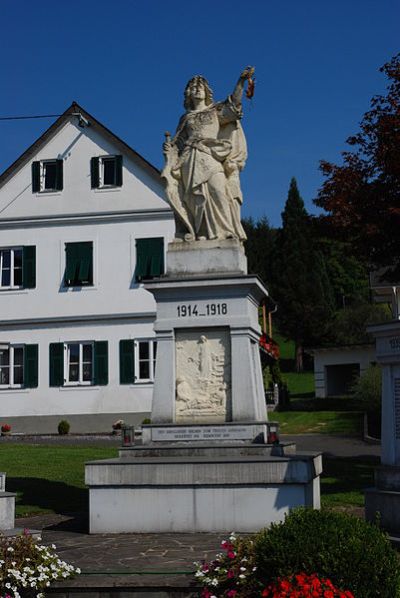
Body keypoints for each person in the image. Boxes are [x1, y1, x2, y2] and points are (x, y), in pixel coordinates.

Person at [162, 67, 254, 242]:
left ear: (206, 92)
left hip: (210, 155)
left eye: (200, 87)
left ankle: (226, 231)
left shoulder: (215, 110)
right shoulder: (186, 118)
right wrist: (169, 150)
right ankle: (201, 232)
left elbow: (234, 105)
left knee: (219, 191)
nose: (197, 90)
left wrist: (240, 82)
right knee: (195, 199)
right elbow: (178, 144)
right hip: (189, 160)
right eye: (193, 87)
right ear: (188, 93)